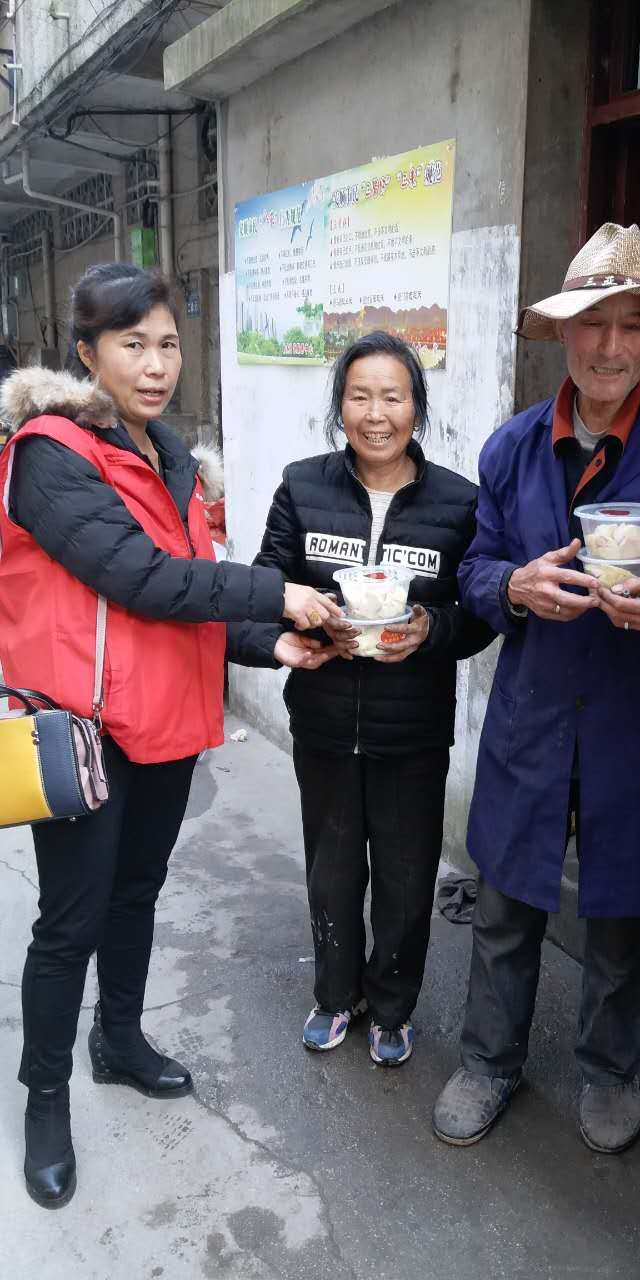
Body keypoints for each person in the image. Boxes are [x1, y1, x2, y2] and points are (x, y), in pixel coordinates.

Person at [0, 263, 341, 1209]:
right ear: (86, 352)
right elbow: (140, 577)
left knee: (136, 892)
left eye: (169, 345)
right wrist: (277, 592)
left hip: (163, 720)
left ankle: (118, 1041)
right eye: (132, 345)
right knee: (70, 919)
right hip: (82, 728)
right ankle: (45, 1100)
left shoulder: (171, 455)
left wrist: (269, 642)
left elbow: (190, 592)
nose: (156, 366)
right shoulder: (50, 453)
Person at [431, 223, 640, 1152]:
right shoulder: (511, 448)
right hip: (535, 708)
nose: (610, 346)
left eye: (633, 324)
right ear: (563, 332)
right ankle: (488, 1059)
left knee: (622, 908)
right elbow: (474, 570)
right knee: (505, 899)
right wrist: (516, 586)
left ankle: (611, 1070)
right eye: (593, 323)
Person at [245, 330, 493, 1069]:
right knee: (331, 869)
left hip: (412, 728)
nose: (376, 414)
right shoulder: (303, 486)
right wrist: (302, 618)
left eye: (393, 397)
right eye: (359, 396)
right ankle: (334, 994)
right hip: (324, 717)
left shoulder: (458, 502)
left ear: (417, 406)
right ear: (340, 405)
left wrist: (431, 629)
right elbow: (266, 582)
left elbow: (479, 613)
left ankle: (391, 1007)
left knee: (407, 876)